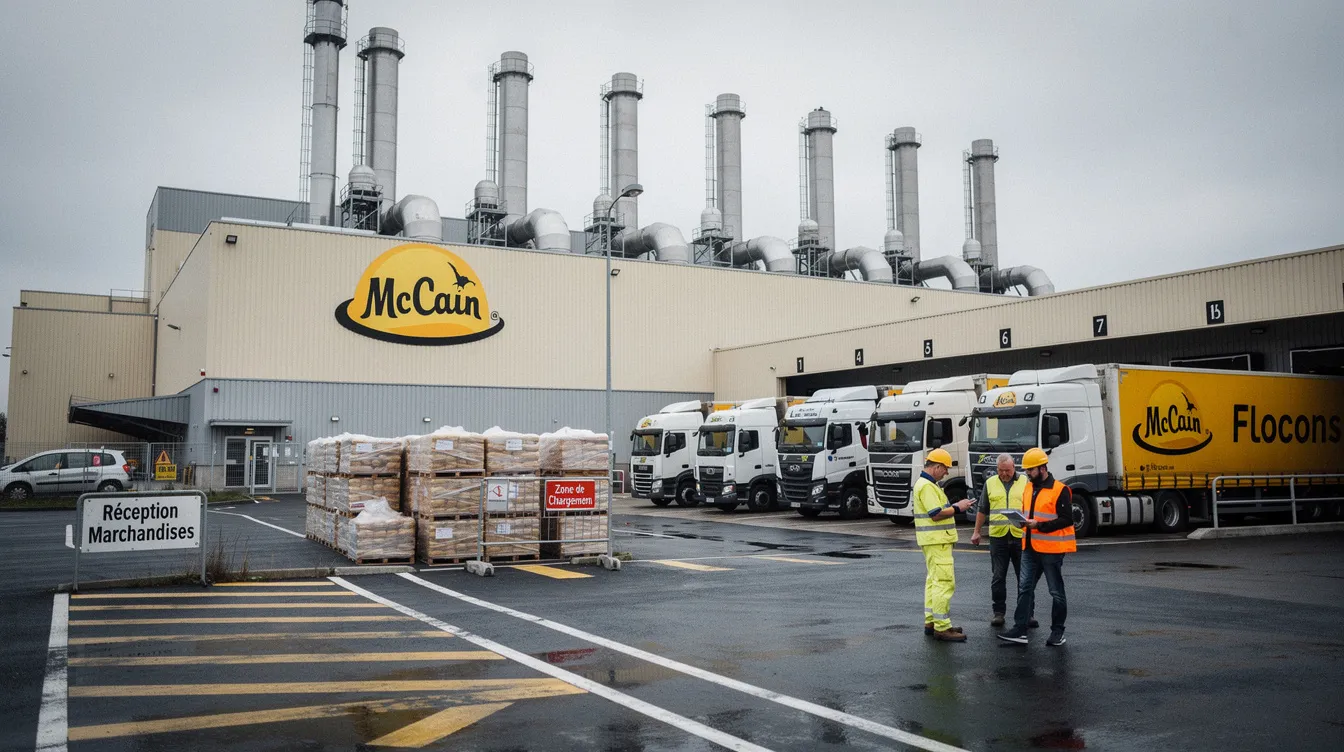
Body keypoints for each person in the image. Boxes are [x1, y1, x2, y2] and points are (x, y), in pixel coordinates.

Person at [997, 447, 1075, 646]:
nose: (1028, 474)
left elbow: (1066, 520)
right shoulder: (1029, 488)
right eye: (1027, 470)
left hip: (1051, 550)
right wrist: (1021, 522)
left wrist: (1038, 525)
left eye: (1031, 470)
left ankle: (1057, 632)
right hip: (1030, 547)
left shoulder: (1060, 490)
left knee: (1055, 592)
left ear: (1042, 468)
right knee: (1025, 588)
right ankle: (1020, 629)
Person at [913, 448, 975, 642]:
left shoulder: (927, 484)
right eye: (945, 469)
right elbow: (935, 513)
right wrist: (958, 507)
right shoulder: (927, 486)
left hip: (934, 541)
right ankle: (942, 627)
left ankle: (932, 622)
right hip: (937, 541)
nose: (946, 473)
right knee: (944, 583)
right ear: (937, 467)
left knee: (934, 582)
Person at [970, 454, 1037, 629]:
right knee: (998, 576)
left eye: (1007, 470)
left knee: (1024, 578)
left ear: (1014, 467)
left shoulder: (1025, 482)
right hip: (998, 537)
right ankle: (998, 613)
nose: (1004, 474)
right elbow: (983, 509)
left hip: (1019, 536)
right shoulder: (990, 483)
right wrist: (976, 532)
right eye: (1001, 470)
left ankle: (1027, 614)